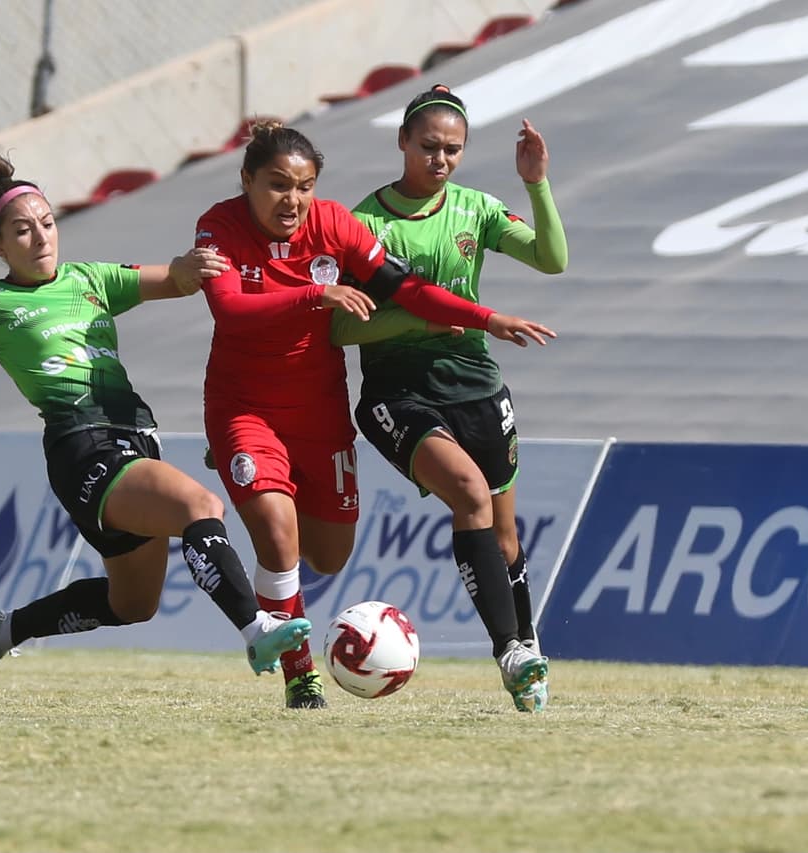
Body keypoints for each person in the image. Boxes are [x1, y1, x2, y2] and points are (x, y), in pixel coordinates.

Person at [0, 151, 311, 684]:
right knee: (200, 505)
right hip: (84, 445)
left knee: (133, 604)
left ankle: (3, 631)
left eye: (46, 224)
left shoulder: (90, 278)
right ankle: (256, 632)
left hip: (135, 439)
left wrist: (202, 261)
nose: (41, 237)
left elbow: (178, 279)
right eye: (22, 231)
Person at [194, 120, 554, 708]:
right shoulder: (218, 225)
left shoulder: (335, 222)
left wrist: (488, 319)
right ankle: (300, 677)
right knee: (278, 535)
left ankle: (260, 479)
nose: (293, 200)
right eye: (277, 185)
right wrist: (319, 294)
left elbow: (405, 289)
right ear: (246, 181)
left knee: (329, 555)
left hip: (319, 410)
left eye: (304, 186)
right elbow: (232, 311)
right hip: (245, 406)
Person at [349, 85, 569, 712]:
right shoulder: (366, 222)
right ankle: (509, 649)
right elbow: (339, 327)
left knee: (504, 541)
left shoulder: (475, 208)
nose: (440, 160)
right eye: (428, 147)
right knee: (469, 492)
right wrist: (420, 321)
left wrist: (537, 184)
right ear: (402, 143)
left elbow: (552, 259)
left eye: (453, 150)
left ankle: (526, 652)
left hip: (475, 386)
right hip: (398, 392)